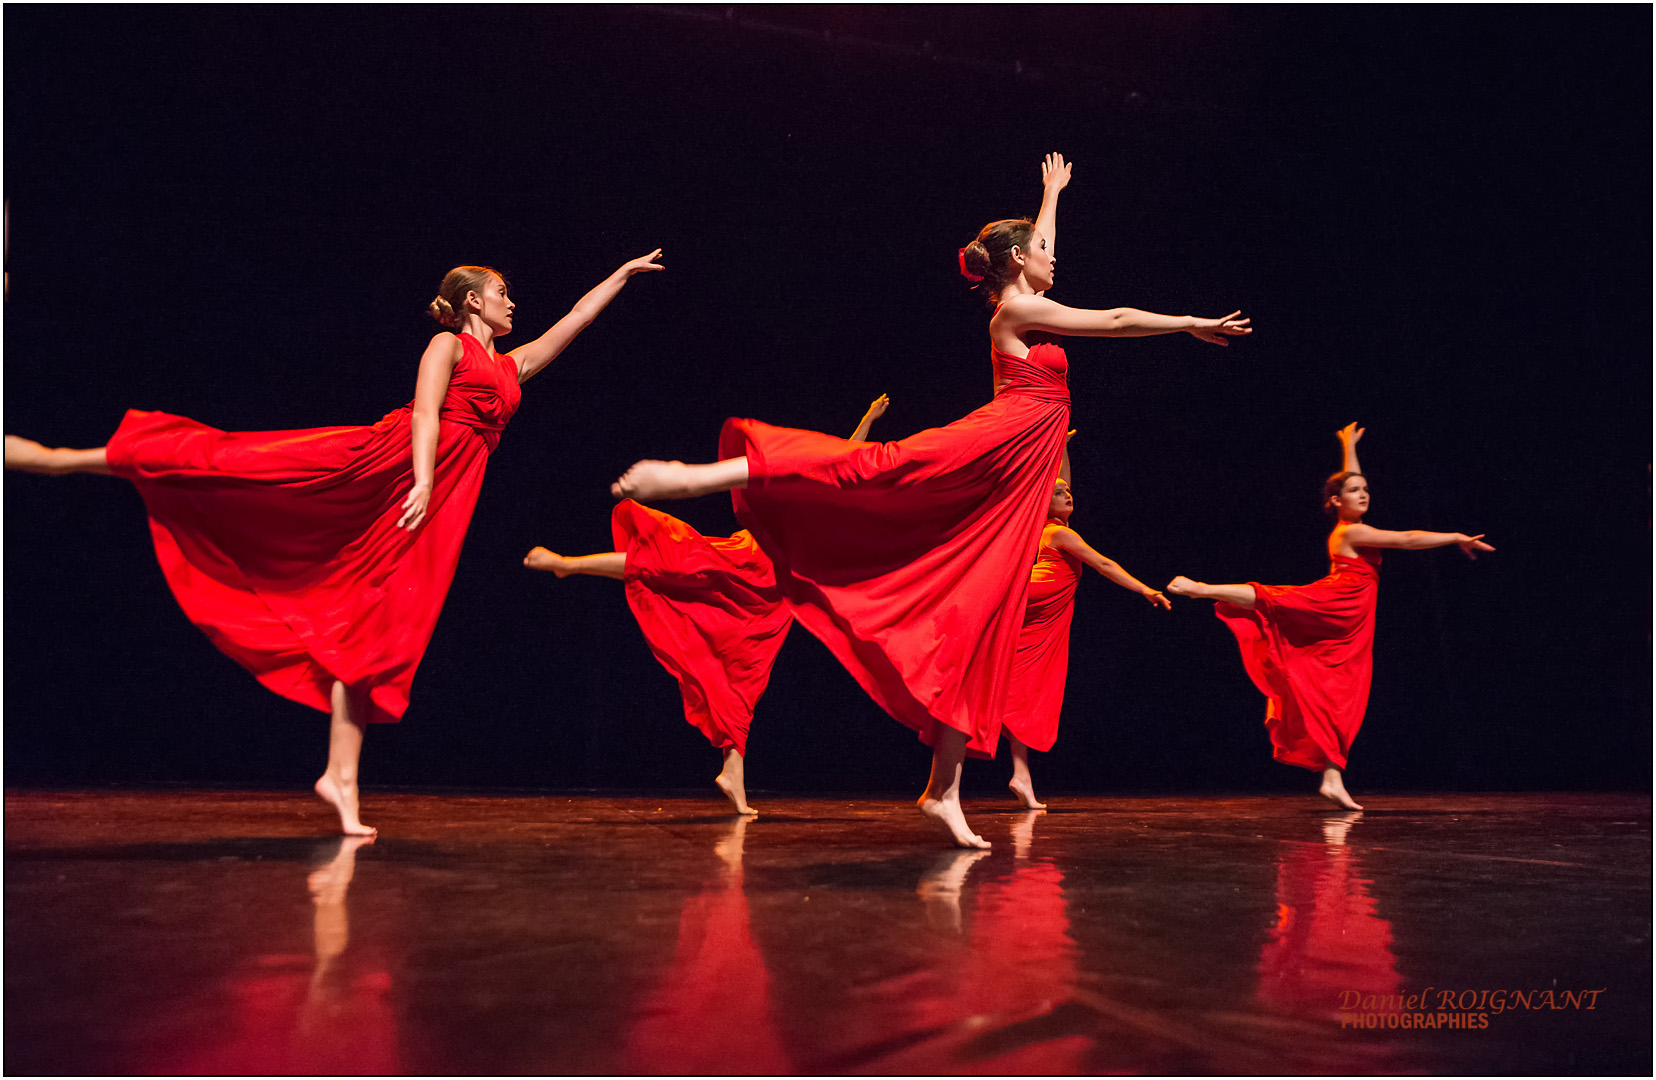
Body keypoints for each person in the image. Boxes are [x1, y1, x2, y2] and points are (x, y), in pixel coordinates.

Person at [609, 152, 1250, 847]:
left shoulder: (1024, 290)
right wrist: (1189, 321)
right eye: (1038, 248)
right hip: (997, 444)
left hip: (1020, 480)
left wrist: (1051, 195)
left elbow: (1043, 251)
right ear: (1013, 261)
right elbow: (1119, 320)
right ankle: (703, 477)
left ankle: (942, 790)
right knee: (878, 468)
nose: (1052, 256)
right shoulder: (1020, 308)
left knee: (987, 614)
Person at [5, 251, 664, 833]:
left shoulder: (510, 365)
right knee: (242, 464)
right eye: (502, 292)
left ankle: (340, 778)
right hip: (389, 466)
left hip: (439, 497)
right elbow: (427, 413)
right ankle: (60, 458)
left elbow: (574, 321)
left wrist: (620, 277)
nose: (513, 302)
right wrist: (425, 481)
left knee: (380, 623)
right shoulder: (447, 347)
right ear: (472, 302)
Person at [523, 394, 893, 815]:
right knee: (673, 565)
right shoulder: (825, 493)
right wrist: (866, 421)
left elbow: (845, 468)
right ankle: (568, 564)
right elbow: (842, 456)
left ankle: (732, 773)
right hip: (758, 563)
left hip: (773, 593)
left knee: (745, 673)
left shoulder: (845, 511)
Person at [1166, 423, 1493, 809]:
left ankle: (1333, 777)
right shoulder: (1350, 533)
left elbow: (1350, 483)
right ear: (1336, 501)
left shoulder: (1352, 522)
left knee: (1342, 695)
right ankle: (1202, 588)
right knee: (1277, 599)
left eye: (1367, 490)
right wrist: (1455, 537)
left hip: (1355, 621)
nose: (1364, 494)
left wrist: (1348, 448)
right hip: (1337, 603)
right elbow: (1405, 539)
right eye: (1356, 492)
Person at [1003, 467, 1171, 811]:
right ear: (1045, 505)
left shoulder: (1044, 528)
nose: (1067, 494)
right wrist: (1144, 589)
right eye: (1059, 494)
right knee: (1027, 692)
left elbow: (1060, 480)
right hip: (1037, 608)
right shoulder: (1060, 534)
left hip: (1036, 619)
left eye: (1068, 491)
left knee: (1023, 692)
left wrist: (1060, 447)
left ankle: (1022, 775)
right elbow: (1104, 564)